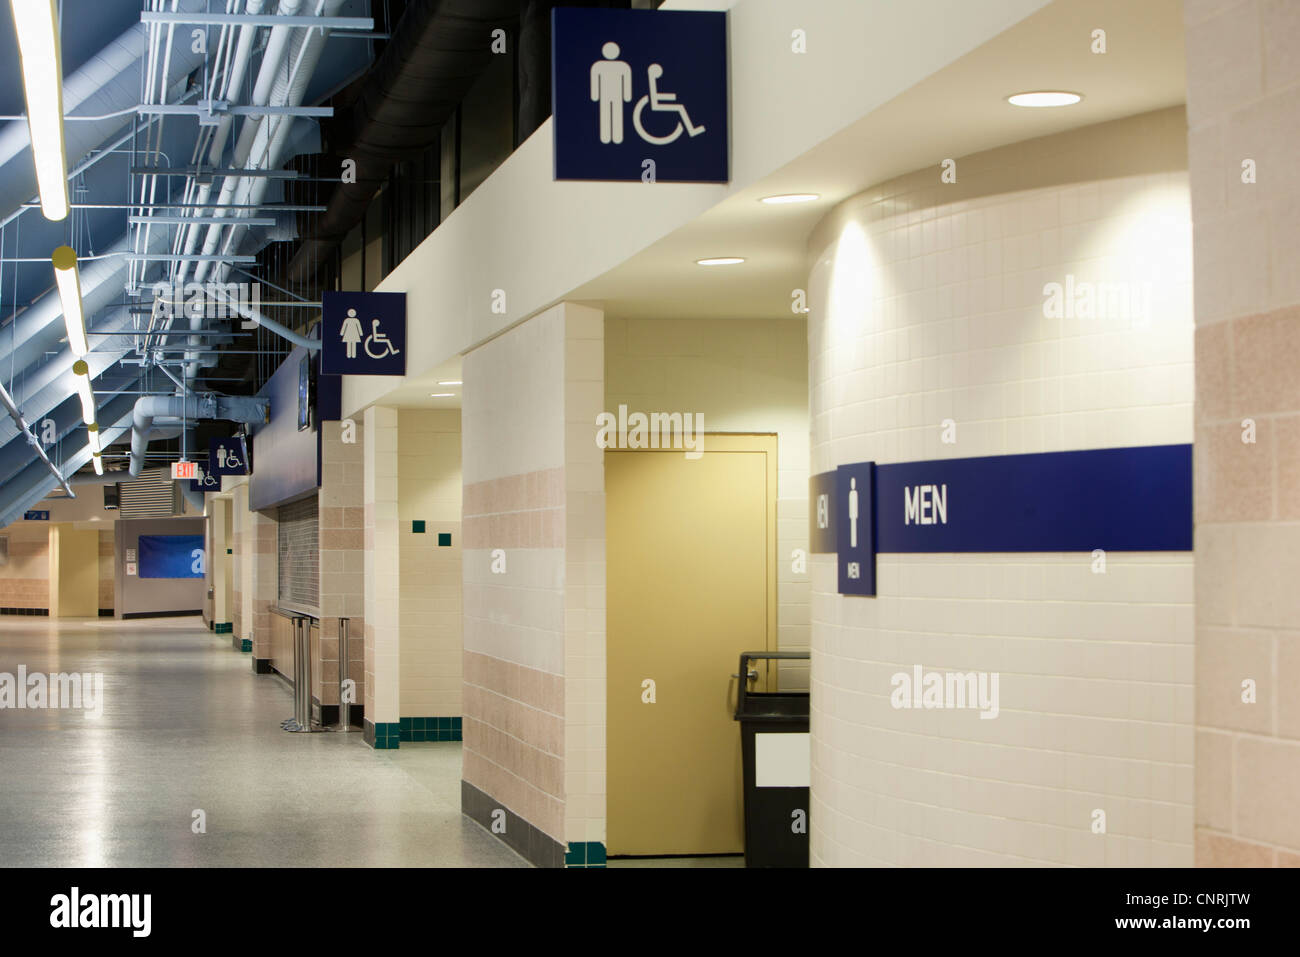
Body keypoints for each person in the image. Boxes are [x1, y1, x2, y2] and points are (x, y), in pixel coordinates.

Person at [591, 41, 632, 144]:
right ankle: (606, 137)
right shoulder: (598, 66)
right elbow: (595, 81)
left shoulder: (623, 66)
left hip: (617, 94)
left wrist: (627, 96)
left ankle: (617, 137)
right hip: (605, 94)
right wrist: (595, 95)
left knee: (617, 114)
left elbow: (627, 81)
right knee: (605, 114)